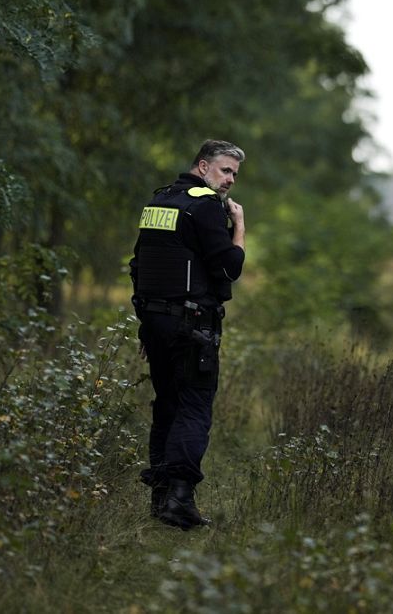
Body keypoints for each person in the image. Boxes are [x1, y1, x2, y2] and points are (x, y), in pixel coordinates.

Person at [130, 140, 247, 529]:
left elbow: (138, 264)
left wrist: (146, 325)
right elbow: (230, 268)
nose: (229, 179)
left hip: (155, 321)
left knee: (166, 405)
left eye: (233, 173)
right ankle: (179, 501)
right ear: (202, 166)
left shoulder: (159, 202)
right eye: (224, 170)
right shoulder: (206, 206)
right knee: (193, 406)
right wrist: (240, 226)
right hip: (192, 325)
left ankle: (159, 500)